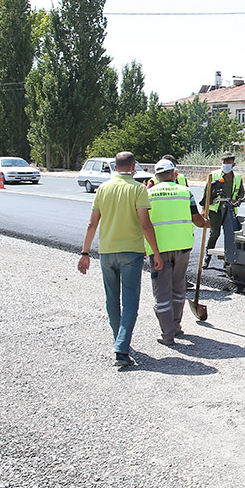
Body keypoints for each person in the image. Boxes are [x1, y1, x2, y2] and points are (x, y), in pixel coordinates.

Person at [78, 151, 162, 367]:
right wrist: (155, 252)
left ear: (114, 167)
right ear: (134, 166)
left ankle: (119, 339)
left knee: (111, 299)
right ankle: (122, 349)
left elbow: (91, 224)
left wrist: (85, 253)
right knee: (131, 302)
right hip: (131, 253)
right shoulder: (137, 189)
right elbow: (145, 224)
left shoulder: (103, 188)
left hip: (106, 252)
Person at [145, 159, 208, 346]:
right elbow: (197, 220)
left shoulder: (148, 194)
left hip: (159, 249)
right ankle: (177, 326)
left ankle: (167, 334)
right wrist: (206, 222)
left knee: (162, 292)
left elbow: (143, 223)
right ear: (174, 174)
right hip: (182, 247)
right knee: (178, 287)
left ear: (156, 177)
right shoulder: (185, 192)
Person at [203, 151, 245, 268]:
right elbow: (206, 193)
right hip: (216, 210)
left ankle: (228, 260)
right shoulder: (214, 175)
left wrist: (237, 200)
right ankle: (207, 256)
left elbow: (241, 192)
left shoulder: (237, 177)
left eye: (228, 162)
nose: (226, 164)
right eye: (224, 162)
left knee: (230, 235)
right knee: (214, 233)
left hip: (229, 210)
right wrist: (203, 209)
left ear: (233, 165)